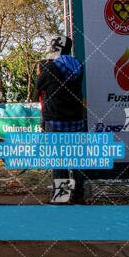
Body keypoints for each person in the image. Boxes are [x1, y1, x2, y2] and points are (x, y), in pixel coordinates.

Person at [33, 36, 85, 204]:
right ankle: (78, 195)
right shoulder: (79, 66)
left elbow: (36, 92)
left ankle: (62, 197)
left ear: (55, 49)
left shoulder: (50, 68)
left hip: (56, 120)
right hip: (76, 119)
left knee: (59, 159)